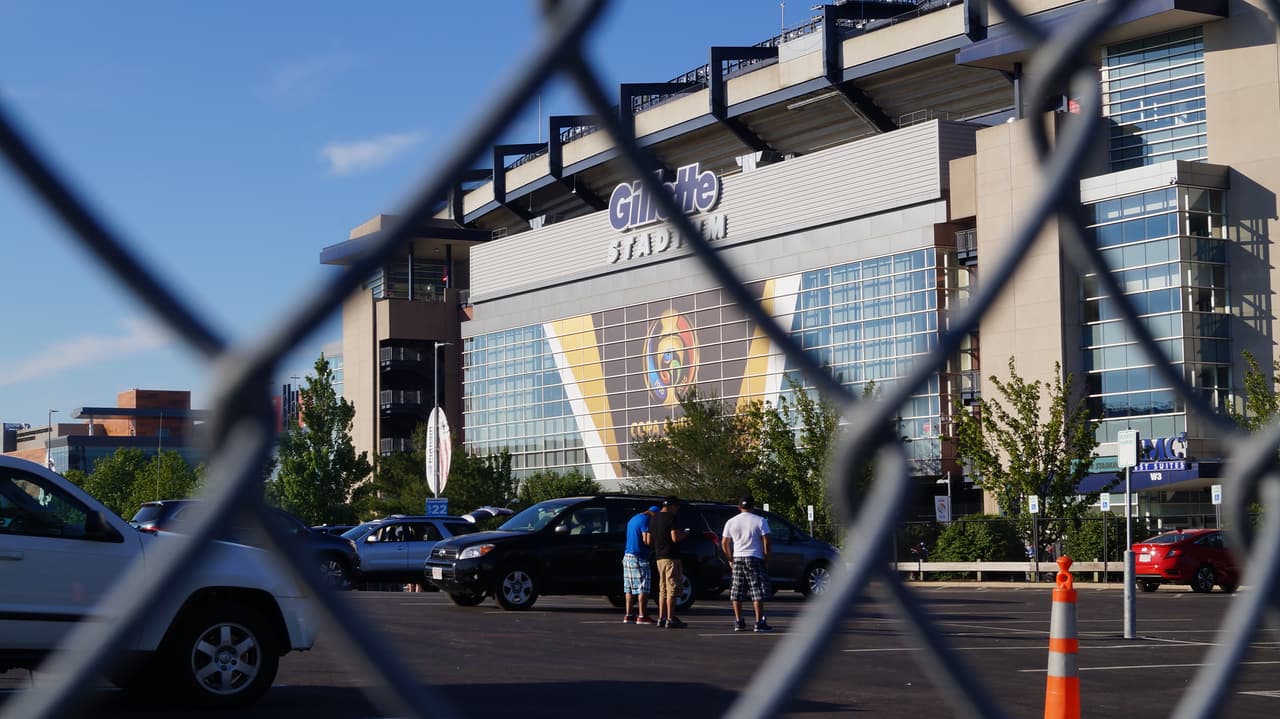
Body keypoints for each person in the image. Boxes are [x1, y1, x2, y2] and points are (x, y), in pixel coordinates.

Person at [721, 495, 773, 632]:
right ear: (753, 507)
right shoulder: (760, 520)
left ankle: (739, 621)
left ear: (739, 507)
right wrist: (766, 558)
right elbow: (766, 541)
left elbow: (724, 543)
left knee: (737, 591)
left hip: (738, 557)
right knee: (757, 591)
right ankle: (758, 622)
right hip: (754, 557)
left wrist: (730, 558)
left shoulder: (731, 522)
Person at [649, 496, 691, 629]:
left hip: (659, 557)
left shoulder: (654, 518)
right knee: (672, 588)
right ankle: (670, 618)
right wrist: (684, 534)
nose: (677, 509)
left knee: (662, 589)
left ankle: (661, 617)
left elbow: (649, 539)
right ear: (672, 506)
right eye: (677, 506)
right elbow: (675, 538)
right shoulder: (671, 518)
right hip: (671, 557)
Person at [622, 505, 659, 625]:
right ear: (653, 514)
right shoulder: (646, 520)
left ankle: (629, 614)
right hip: (639, 557)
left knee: (629, 587)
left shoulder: (634, 518)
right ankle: (642, 615)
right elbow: (646, 539)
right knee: (643, 587)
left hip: (627, 556)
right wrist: (654, 544)